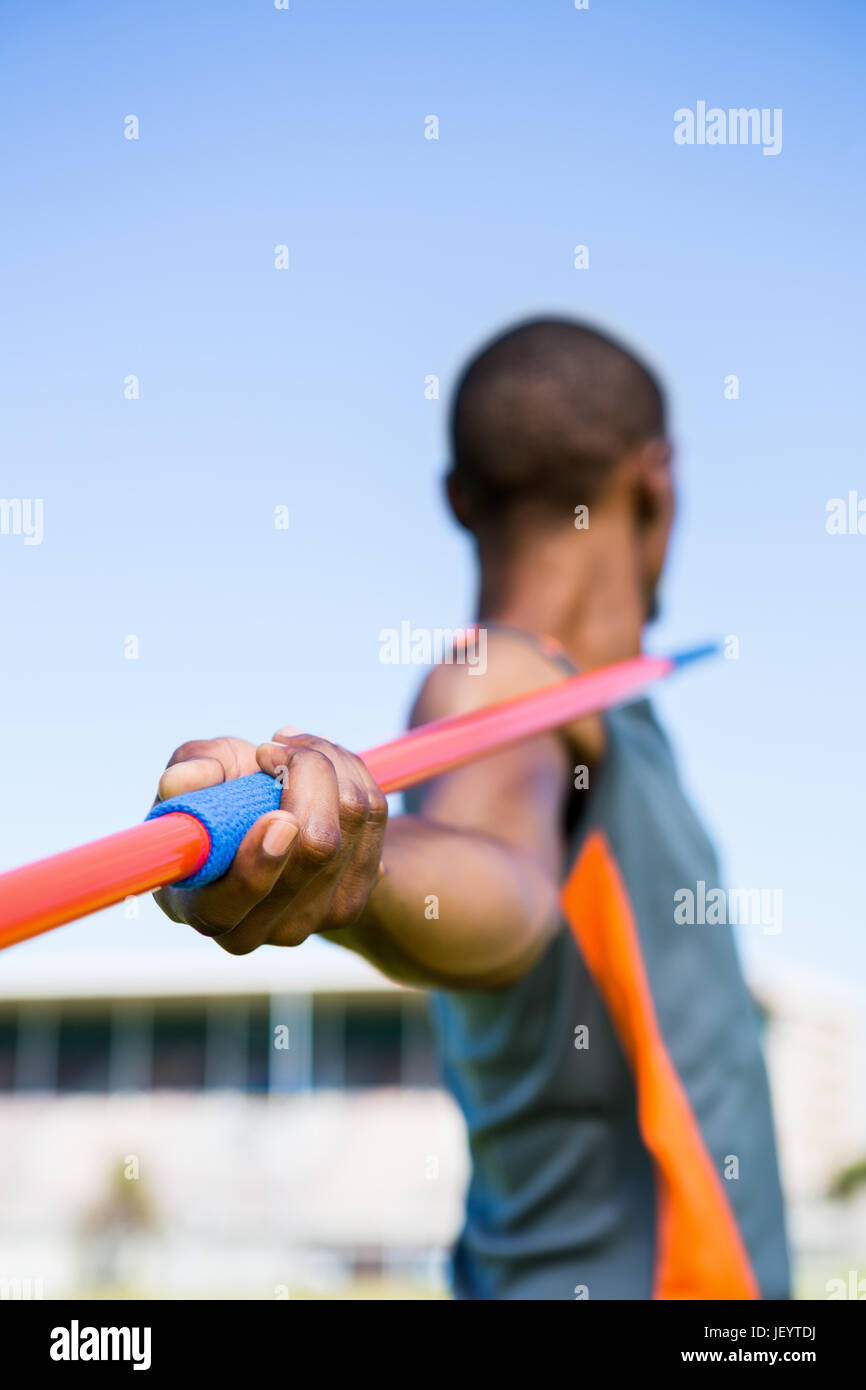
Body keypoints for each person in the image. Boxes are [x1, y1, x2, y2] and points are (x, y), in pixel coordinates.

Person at [153, 317, 789, 1300]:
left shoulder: (598, 713)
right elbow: (500, 874)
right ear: (655, 481)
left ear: (457, 499)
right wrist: (349, 867)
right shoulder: (492, 681)